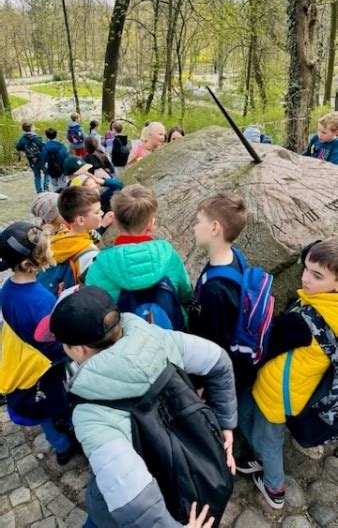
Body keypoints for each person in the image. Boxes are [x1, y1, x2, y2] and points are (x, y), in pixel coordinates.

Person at [45, 285, 237, 527]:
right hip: (196, 474)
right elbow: (219, 362)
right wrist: (225, 424)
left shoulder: (91, 413)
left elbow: (134, 502)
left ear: (79, 349)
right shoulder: (161, 338)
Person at [237, 238, 338, 509]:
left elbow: (267, 348)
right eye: (305, 268)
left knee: (269, 438)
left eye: (317, 276)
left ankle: (275, 487)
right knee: (244, 410)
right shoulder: (330, 309)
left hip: (277, 393)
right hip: (295, 388)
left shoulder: (303, 323)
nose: (305, 278)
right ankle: (260, 456)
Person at [0, 222, 74, 464]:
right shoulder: (40, 300)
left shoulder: (7, 289)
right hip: (45, 365)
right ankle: (66, 443)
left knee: (43, 413)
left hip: (25, 359)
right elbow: (52, 340)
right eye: (46, 249)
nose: (51, 250)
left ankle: (59, 444)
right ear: (28, 263)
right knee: (52, 401)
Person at [85, 184, 192, 325]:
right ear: (151, 223)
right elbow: (186, 294)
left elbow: (94, 311)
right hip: (173, 334)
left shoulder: (98, 267)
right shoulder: (169, 256)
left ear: (115, 221)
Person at [189, 194, 256, 391]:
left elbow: (214, 345)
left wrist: (202, 385)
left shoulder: (215, 290)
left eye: (198, 221)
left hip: (218, 374)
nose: (194, 227)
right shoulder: (235, 255)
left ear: (215, 228)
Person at [48, 187, 101, 287]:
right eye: (97, 212)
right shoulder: (90, 254)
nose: (101, 214)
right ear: (80, 220)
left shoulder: (59, 238)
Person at [16, 121, 49, 194]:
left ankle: (39, 192)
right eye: (33, 126)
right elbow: (44, 146)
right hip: (41, 158)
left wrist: (25, 150)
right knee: (47, 172)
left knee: (37, 175)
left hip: (31, 159)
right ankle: (46, 188)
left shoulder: (22, 139)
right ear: (31, 128)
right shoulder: (37, 138)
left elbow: (18, 147)